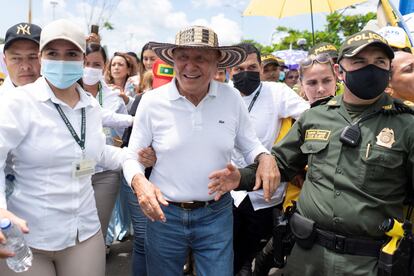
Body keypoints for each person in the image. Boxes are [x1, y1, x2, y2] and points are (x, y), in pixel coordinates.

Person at [210, 30, 414, 276]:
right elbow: (279, 165)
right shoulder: (314, 117)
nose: (370, 69)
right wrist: (239, 178)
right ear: (340, 71)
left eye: (379, 62)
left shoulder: (407, 125)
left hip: (368, 262)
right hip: (306, 254)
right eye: (359, 61)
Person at [123, 25, 278, 276]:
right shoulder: (152, 101)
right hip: (164, 214)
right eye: (183, 57)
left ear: (217, 63)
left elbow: (250, 144)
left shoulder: (232, 98)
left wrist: (265, 157)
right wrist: (139, 182)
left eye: (201, 58)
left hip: (215, 215)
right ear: (173, 60)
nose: (190, 66)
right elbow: (132, 156)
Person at [0, 19, 125, 276]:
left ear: (82, 58)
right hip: (28, 235)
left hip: (84, 231)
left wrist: (137, 161)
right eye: (53, 53)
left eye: (71, 54)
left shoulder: (90, 106)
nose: (62, 61)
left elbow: (98, 153)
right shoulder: (17, 102)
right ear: (43, 58)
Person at [230, 43, 309, 275]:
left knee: (251, 247)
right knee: (229, 252)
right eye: (238, 68)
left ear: (261, 67)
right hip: (229, 191)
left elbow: (310, 117)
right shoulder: (222, 94)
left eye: (252, 67)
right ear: (228, 71)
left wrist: (293, 157)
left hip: (264, 192)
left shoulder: (277, 92)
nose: (245, 72)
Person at [81, 43, 133, 247]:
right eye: (86, 63)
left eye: (96, 64)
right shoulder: (66, 92)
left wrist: (132, 121)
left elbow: (125, 133)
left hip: (106, 169)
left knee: (99, 226)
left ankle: (100, 249)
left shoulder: (113, 96)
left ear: (104, 66)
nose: (90, 68)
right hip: (75, 170)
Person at [0, 22, 42, 93]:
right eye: (16, 58)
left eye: (33, 57)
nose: (25, 67)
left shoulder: (63, 98)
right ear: (5, 61)